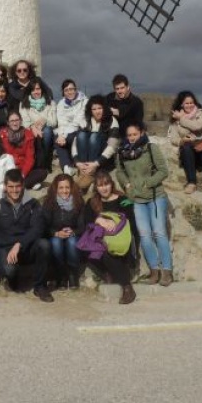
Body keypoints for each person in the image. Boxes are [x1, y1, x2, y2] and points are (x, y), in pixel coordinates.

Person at [0, 169, 54, 302]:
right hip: (6, 250)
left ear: (23, 185)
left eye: (17, 186)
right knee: (9, 271)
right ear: (5, 187)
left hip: (27, 248)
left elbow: (37, 229)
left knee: (44, 245)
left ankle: (40, 286)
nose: (14, 190)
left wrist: (20, 244)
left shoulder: (33, 204)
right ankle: (13, 279)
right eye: (11, 186)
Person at [117, 123, 173, 286]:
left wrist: (148, 183)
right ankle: (154, 271)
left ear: (141, 133)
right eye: (129, 135)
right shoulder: (122, 152)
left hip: (155, 196)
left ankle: (167, 272)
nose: (132, 137)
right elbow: (120, 171)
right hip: (136, 199)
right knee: (145, 236)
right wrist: (126, 184)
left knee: (159, 233)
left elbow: (163, 170)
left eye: (135, 134)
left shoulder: (150, 148)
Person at [83, 169, 137, 304]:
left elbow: (131, 219)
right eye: (100, 185)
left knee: (107, 252)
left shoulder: (123, 199)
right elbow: (86, 221)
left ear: (111, 184)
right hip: (102, 240)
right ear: (96, 187)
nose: (104, 188)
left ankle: (127, 288)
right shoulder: (92, 202)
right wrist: (98, 220)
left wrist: (115, 220)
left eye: (106, 184)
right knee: (84, 247)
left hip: (121, 242)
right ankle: (107, 273)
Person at [41, 173, 88, 290]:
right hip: (55, 234)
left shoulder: (79, 201)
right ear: (56, 189)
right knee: (56, 243)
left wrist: (73, 232)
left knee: (72, 242)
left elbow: (83, 226)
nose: (64, 191)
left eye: (67, 187)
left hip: (73, 234)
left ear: (71, 188)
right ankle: (61, 274)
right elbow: (44, 226)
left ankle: (72, 274)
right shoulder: (49, 202)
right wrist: (56, 233)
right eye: (61, 188)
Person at [168, 90, 202, 196]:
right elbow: (173, 138)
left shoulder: (201, 113)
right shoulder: (175, 118)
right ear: (181, 104)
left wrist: (181, 119)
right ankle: (191, 183)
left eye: (191, 102)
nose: (189, 105)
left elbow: (198, 126)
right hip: (188, 149)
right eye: (187, 103)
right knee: (186, 148)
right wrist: (182, 140)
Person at [73, 94, 121, 182]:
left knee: (94, 136)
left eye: (100, 108)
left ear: (104, 108)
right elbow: (75, 143)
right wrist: (77, 162)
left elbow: (112, 147)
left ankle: (91, 173)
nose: (97, 112)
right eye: (94, 109)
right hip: (84, 160)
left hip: (102, 160)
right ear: (90, 111)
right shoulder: (85, 121)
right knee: (81, 135)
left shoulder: (112, 121)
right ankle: (84, 171)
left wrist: (95, 164)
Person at [0, 111, 48, 190]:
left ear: (21, 121)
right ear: (8, 122)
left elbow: (30, 158)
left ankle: (17, 184)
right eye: (12, 121)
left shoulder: (28, 134)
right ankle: (24, 185)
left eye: (17, 120)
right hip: (8, 168)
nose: (15, 123)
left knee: (43, 173)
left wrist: (22, 174)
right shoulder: (2, 134)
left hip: (22, 169)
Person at [18, 77, 57, 173]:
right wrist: (33, 127)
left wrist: (44, 120)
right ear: (30, 91)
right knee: (34, 136)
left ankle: (46, 163)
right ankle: (38, 165)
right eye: (33, 89)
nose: (36, 92)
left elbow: (54, 122)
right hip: (31, 129)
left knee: (47, 132)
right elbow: (25, 121)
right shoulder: (23, 103)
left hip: (46, 130)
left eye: (38, 89)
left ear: (42, 89)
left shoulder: (51, 103)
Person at [53, 78, 87, 175]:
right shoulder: (61, 104)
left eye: (71, 89)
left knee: (70, 137)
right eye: (66, 90)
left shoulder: (84, 101)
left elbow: (77, 122)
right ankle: (67, 167)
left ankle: (73, 163)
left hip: (80, 129)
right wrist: (60, 135)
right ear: (63, 92)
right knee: (57, 139)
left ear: (76, 89)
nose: (69, 92)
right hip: (66, 131)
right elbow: (61, 122)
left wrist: (64, 135)